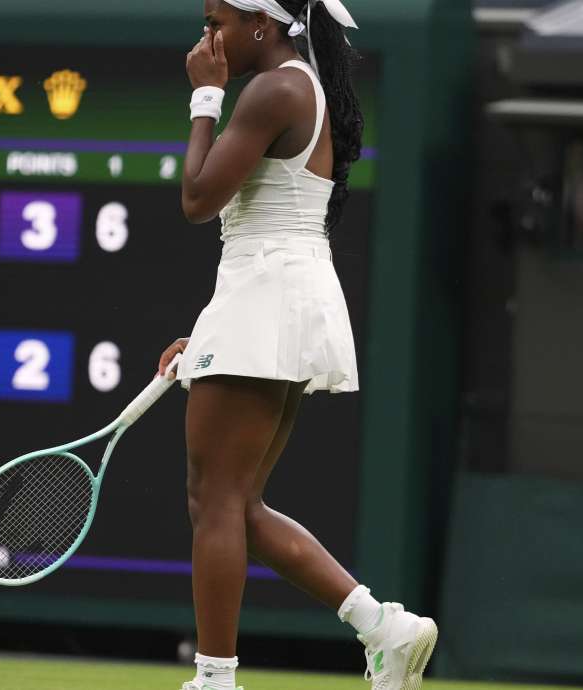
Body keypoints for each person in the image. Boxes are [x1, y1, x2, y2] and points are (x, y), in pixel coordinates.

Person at [155, 1, 437, 688]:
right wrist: (216, 331)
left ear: (261, 24)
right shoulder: (294, 83)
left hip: (269, 294)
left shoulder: (274, 88)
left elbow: (197, 198)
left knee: (216, 500)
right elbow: (259, 224)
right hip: (275, 293)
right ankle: (384, 627)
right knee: (235, 502)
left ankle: (215, 680)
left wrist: (203, 96)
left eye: (217, 21)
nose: (207, 37)